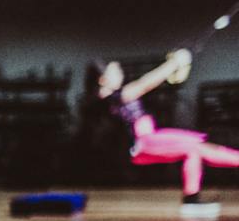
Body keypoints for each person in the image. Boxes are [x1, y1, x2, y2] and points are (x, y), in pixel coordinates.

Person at [97, 48, 238, 212]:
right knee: (194, 148)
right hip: (143, 142)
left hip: (150, 137)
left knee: (196, 149)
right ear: (102, 79)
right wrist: (174, 63)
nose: (120, 74)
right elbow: (145, 83)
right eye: (115, 71)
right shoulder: (113, 98)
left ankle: (191, 199)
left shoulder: (116, 96)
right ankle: (191, 201)